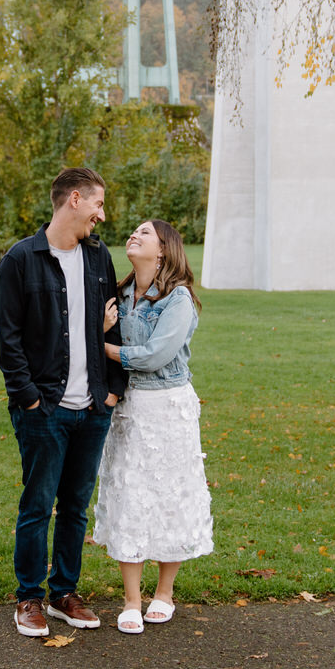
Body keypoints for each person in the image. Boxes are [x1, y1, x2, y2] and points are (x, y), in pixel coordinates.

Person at [0, 168, 127, 638]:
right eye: (98, 205)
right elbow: (8, 341)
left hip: (92, 408)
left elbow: (115, 324)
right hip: (43, 411)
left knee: (75, 507)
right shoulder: (20, 261)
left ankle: (64, 593)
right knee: (37, 504)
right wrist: (28, 399)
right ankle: (29, 598)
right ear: (74, 199)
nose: (102, 216)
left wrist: (110, 391)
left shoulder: (97, 258)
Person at [92, 218, 213, 634]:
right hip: (129, 408)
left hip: (168, 406)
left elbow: (154, 355)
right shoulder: (120, 293)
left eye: (145, 233)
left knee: (169, 495)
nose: (134, 235)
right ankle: (130, 599)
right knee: (130, 494)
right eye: (135, 231)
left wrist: (102, 347)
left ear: (163, 250)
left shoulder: (177, 299)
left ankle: (164, 593)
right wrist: (104, 335)